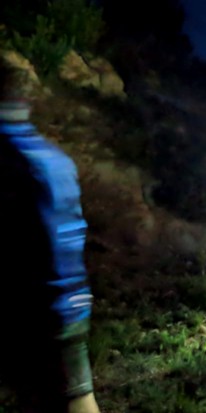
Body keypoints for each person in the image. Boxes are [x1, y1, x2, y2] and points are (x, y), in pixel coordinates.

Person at [0, 62, 101, 412]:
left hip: (33, 313)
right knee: (75, 398)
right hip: (69, 304)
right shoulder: (55, 158)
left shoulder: (8, 158)